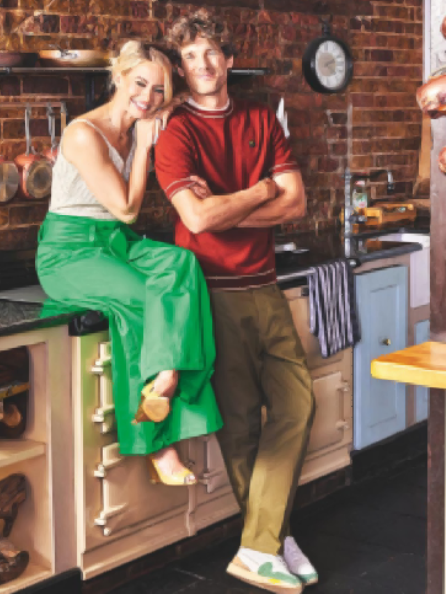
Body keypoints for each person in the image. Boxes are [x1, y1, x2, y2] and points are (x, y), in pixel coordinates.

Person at [155, 10, 317, 593]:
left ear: (226, 58)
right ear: (182, 67)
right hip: (210, 293)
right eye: (189, 58)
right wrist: (259, 190)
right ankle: (271, 540)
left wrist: (231, 207)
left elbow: (294, 204)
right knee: (243, 425)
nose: (201, 65)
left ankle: (260, 541)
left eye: (210, 54)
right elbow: (196, 219)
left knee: (298, 405)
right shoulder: (175, 132)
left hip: (264, 285)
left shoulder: (259, 118)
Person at [36, 41, 225, 486]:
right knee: (145, 298)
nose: (149, 96)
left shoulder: (143, 117)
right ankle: (157, 442)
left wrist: (185, 179)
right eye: (140, 83)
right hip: (69, 252)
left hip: (116, 243)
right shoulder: (86, 133)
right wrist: (143, 149)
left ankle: (168, 374)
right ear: (118, 77)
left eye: (159, 90)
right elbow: (124, 207)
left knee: (181, 265)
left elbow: (122, 215)